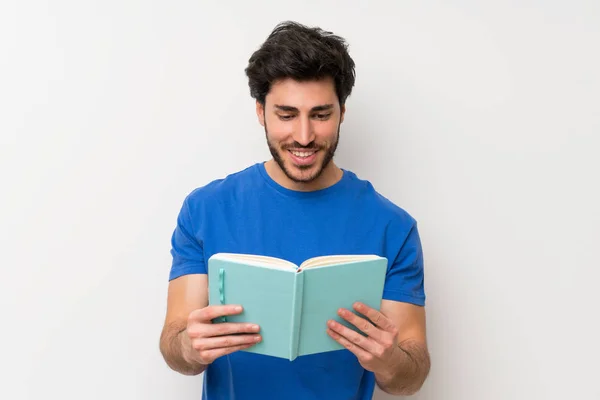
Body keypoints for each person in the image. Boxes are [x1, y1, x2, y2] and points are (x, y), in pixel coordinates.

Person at [159, 21, 431, 400]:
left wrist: (388, 359)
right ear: (260, 111)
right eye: (286, 115)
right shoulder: (204, 210)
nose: (303, 136)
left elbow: (411, 376)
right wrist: (189, 346)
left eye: (320, 115)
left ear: (342, 112)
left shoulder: (392, 226)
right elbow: (174, 345)